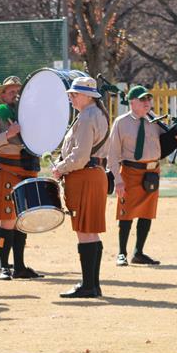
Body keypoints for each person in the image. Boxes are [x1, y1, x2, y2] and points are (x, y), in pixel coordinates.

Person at [107, 85, 177, 267]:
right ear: (132, 102)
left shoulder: (154, 121)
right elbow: (112, 154)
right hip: (130, 172)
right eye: (142, 100)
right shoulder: (121, 122)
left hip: (151, 172)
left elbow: (167, 141)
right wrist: (117, 180)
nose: (147, 103)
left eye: (148, 100)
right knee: (126, 213)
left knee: (147, 213)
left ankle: (139, 252)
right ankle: (122, 252)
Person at [0, 76, 43, 281]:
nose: (15, 94)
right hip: (7, 168)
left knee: (21, 220)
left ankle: (20, 265)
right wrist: (8, 134)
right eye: (11, 91)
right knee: (7, 220)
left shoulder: (27, 114)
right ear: (3, 95)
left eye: (18, 90)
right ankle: (4, 266)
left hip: (26, 168)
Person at [52, 77, 109, 298]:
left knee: (84, 231)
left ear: (88, 96)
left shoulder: (86, 117)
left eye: (74, 94)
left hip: (84, 176)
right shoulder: (97, 114)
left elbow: (80, 156)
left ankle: (88, 285)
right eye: (70, 94)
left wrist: (60, 168)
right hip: (94, 175)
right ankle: (92, 284)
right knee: (90, 231)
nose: (71, 98)